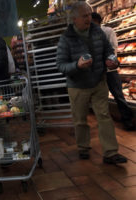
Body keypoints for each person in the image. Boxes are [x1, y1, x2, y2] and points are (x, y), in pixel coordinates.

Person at [56, 2, 127, 164]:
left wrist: (112, 60)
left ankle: (111, 153)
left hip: (98, 81)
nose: (89, 18)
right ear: (74, 19)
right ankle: (83, 148)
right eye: (85, 15)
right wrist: (77, 65)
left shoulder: (97, 32)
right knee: (80, 119)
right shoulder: (66, 38)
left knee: (104, 116)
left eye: (90, 14)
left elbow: (108, 50)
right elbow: (60, 65)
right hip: (77, 86)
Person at [91, 12, 135, 131]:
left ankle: (128, 120)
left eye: (92, 22)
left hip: (110, 70)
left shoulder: (108, 31)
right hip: (97, 71)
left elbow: (113, 49)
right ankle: (106, 121)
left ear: (98, 22)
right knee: (100, 96)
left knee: (118, 95)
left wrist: (108, 62)